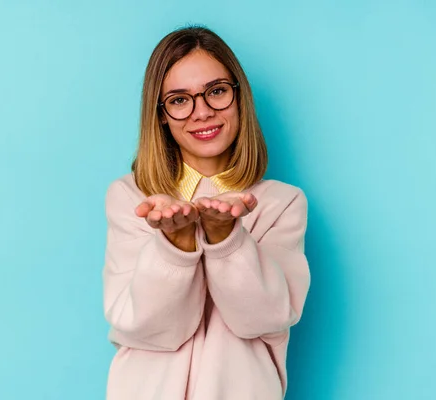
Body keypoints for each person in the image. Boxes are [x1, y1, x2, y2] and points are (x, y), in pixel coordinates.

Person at [102, 26, 311, 400]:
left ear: (239, 98)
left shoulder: (283, 203)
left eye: (216, 91)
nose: (202, 112)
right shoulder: (130, 198)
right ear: (161, 114)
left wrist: (227, 239)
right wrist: (176, 245)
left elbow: (263, 319)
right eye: (180, 100)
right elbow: (149, 328)